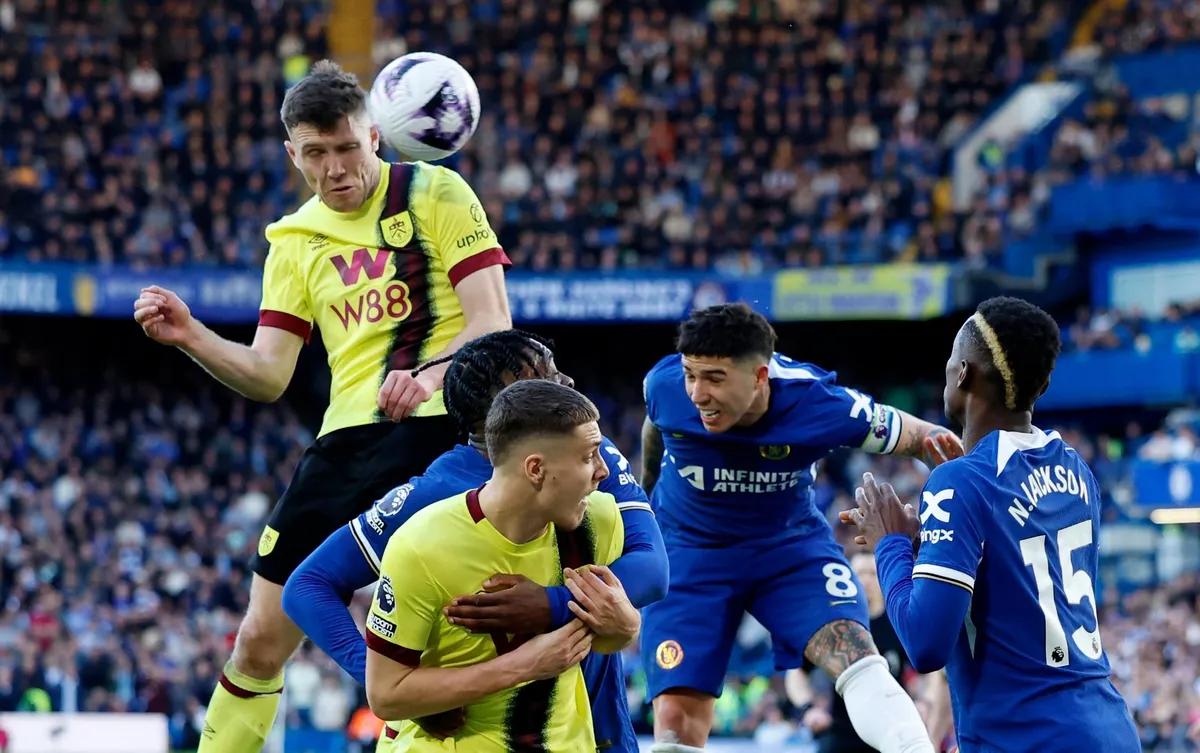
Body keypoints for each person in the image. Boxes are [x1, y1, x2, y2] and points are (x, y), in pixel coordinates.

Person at [131, 60, 512, 753]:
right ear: (293, 156)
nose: (336, 168)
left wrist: (428, 377)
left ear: (374, 135)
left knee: (456, 626)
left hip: (443, 431)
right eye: (316, 153)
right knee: (257, 638)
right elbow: (267, 374)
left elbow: (493, 320)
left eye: (346, 147)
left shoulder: (436, 192)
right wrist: (190, 335)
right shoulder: (294, 240)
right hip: (344, 445)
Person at [283, 329, 668, 751]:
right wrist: (406, 688)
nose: (566, 382)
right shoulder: (432, 500)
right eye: (545, 375)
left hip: (591, 729)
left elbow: (652, 569)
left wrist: (550, 604)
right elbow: (307, 586)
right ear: (507, 403)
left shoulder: (586, 455)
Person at [640, 302, 958, 753]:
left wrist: (976, 490)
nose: (697, 393)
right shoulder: (665, 384)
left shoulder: (819, 403)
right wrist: (648, 488)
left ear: (759, 377)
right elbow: (657, 425)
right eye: (692, 374)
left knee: (859, 661)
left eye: (714, 378)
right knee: (674, 723)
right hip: (690, 550)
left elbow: (926, 440)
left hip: (787, 549)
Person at [844, 296, 1139, 752]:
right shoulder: (1078, 471)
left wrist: (891, 545)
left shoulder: (960, 480)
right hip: (1109, 727)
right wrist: (933, 543)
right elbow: (1022, 587)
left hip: (1029, 738)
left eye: (949, 359)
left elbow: (925, 645)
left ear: (963, 373)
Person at [364, 380, 640, 751]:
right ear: (536, 469)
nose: (603, 471)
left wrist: (628, 625)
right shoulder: (421, 546)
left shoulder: (599, 520)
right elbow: (385, 695)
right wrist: (525, 666)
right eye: (589, 455)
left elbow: (609, 637)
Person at [786, 551, 938, 753]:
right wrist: (807, 709)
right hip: (841, 735)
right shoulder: (838, 625)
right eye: (859, 573)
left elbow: (933, 672)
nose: (866, 580)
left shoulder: (899, 621)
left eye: (872, 573)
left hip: (892, 735)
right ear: (848, 578)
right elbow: (796, 671)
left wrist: (925, 703)